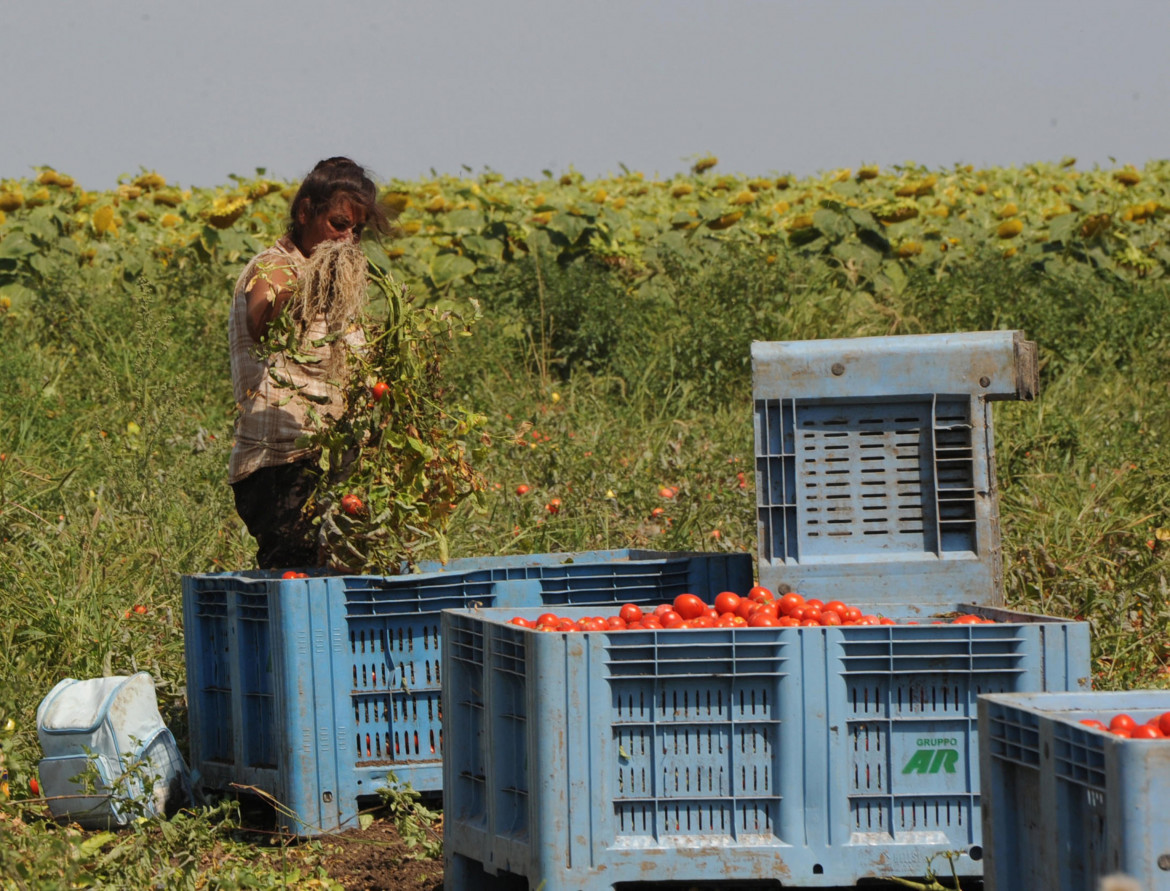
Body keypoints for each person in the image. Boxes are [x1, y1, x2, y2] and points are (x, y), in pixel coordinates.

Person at [228, 157, 388, 569]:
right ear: (305, 213)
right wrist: (303, 288)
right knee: (299, 582)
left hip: (334, 462)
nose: (347, 239)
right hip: (284, 468)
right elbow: (261, 316)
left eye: (356, 230)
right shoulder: (276, 266)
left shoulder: (338, 282)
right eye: (338, 224)